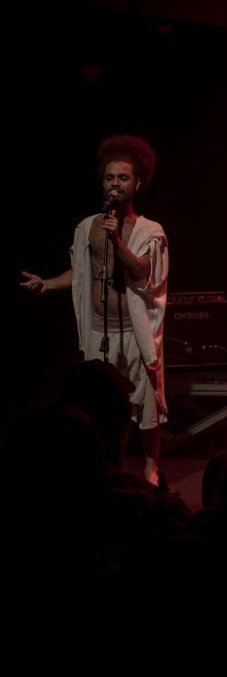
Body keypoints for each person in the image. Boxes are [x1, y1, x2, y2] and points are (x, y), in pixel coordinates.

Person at [20, 134, 169, 487]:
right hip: (99, 330)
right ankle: (104, 461)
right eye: (109, 178)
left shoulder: (151, 231)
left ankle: (151, 465)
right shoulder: (87, 227)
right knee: (97, 403)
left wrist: (117, 240)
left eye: (122, 178)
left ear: (138, 183)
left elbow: (141, 272)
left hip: (135, 333)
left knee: (146, 404)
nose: (114, 184)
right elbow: (81, 274)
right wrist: (47, 283)